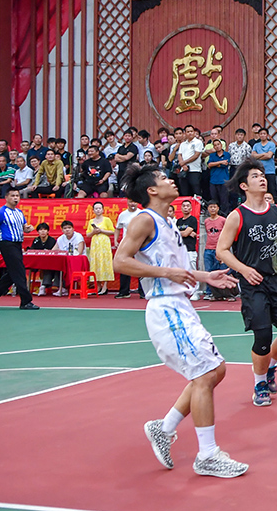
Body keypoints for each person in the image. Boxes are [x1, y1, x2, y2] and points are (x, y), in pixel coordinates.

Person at [111, 164, 247, 478]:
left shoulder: (168, 222)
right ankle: (207, 455)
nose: (171, 180)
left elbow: (177, 270)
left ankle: (164, 427)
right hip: (165, 308)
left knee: (216, 370)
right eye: (163, 178)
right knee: (204, 374)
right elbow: (120, 261)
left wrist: (205, 276)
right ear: (152, 191)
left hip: (180, 305)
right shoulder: (144, 219)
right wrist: (166, 273)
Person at [215, 160, 277, 409]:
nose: (262, 178)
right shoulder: (237, 216)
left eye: (262, 175)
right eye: (255, 176)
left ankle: (270, 365)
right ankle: (260, 384)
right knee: (262, 335)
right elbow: (221, 250)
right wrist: (244, 269)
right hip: (254, 283)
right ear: (244, 185)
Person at [0, 187, 38, 310]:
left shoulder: (19, 212)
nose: (15, 198)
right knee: (20, 272)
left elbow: (24, 228)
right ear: (6, 197)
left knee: (13, 273)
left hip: (17, 244)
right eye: (12, 196)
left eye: (17, 196)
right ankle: (26, 301)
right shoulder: (1, 212)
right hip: (7, 244)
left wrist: (28, 229)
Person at [202, 202, 230, 301]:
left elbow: (227, 234)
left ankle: (226, 293)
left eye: (214, 207)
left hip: (220, 249)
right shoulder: (206, 221)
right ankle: (209, 293)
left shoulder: (223, 220)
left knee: (222, 271)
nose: (212, 209)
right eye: (210, 207)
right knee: (208, 271)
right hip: (208, 249)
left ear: (218, 208)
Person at [115, 199, 142, 299]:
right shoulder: (123, 215)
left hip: (140, 243)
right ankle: (124, 291)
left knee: (141, 266)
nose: (133, 204)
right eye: (131, 202)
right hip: (127, 243)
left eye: (135, 201)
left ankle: (143, 291)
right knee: (125, 266)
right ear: (127, 203)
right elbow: (118, 228)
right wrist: (116, 240)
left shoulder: (141, 214)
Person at [86, 202, 115, 295]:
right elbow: (88, 234)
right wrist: (94, 232)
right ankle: (98, 286)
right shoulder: (91, 221)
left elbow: (113, 231)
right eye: (96, 208)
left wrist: (101, 230)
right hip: (95, 244)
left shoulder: (106, 220)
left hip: (104, 244)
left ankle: (105, 286)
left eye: (99, 208)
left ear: (103, 210)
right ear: (93, 210)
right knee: (96, 263)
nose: (98, 210)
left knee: (105, 262)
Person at [207, 139, 232, 213]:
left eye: (218, 144)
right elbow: (209, 164)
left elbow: (225, 164)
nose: (217, 146)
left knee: (224, 200)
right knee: (214, 200)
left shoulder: (227, 154)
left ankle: (224, 215)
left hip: (224, 180)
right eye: (215, 145)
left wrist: (215, 164)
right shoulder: (212, 155)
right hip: (213, 180)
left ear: (221, 145)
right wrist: (221, 162)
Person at [177, 199, 199, 275]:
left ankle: (196, 284)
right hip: (180, 250)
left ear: (191, 208)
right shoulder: (178, 221)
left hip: (190, 251)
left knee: (192, 272)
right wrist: (185, 232)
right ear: (181, 208)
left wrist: (183, 233)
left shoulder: (192, 219)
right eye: (184, 206)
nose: (185, 207)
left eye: (187, 206)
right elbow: (175, 234)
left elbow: (185, 234)